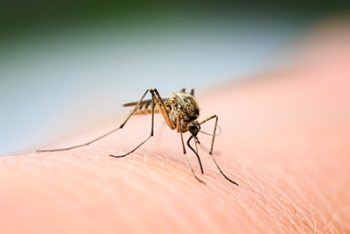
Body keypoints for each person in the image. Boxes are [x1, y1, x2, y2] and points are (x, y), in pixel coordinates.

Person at [1, 19, 349, 233]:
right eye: (193, 131)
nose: (194, 133)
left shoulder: (200, 119)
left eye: (194, 131)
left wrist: (207, 150)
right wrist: (168, 125)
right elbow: (175, 109)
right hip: (161, 106)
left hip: (181, 106)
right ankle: (122, 135)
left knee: (195, 116)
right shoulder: (177, 114)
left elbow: (195, 115)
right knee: (156, 100)